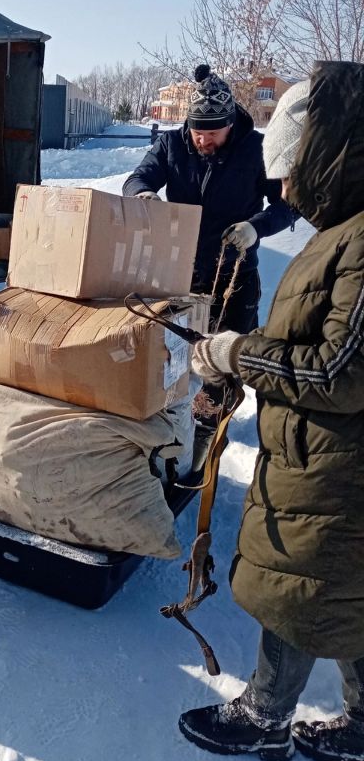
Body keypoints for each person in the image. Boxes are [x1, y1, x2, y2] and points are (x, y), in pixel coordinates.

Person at [178, 61, 364, 761]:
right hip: (323, 451)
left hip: (338, 464)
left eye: (290, 177)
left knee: (304, 581)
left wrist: (236, 356)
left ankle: (265, 715)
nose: (284, 193)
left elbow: (336, 371)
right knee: (344, 587)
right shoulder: (345, 229)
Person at [123, 64, 293, 468]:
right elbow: (137, 178)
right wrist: (144, 194)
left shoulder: (256, 150)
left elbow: (289, 207)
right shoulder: (172, 145)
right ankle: (172, 431)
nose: (203, 140)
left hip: (233, 277)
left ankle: (205, 443)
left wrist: (256, 227)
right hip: (181, 273)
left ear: (230, 126)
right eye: (198, 132)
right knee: (175, 356)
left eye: (212, 134)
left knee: (222, 364)